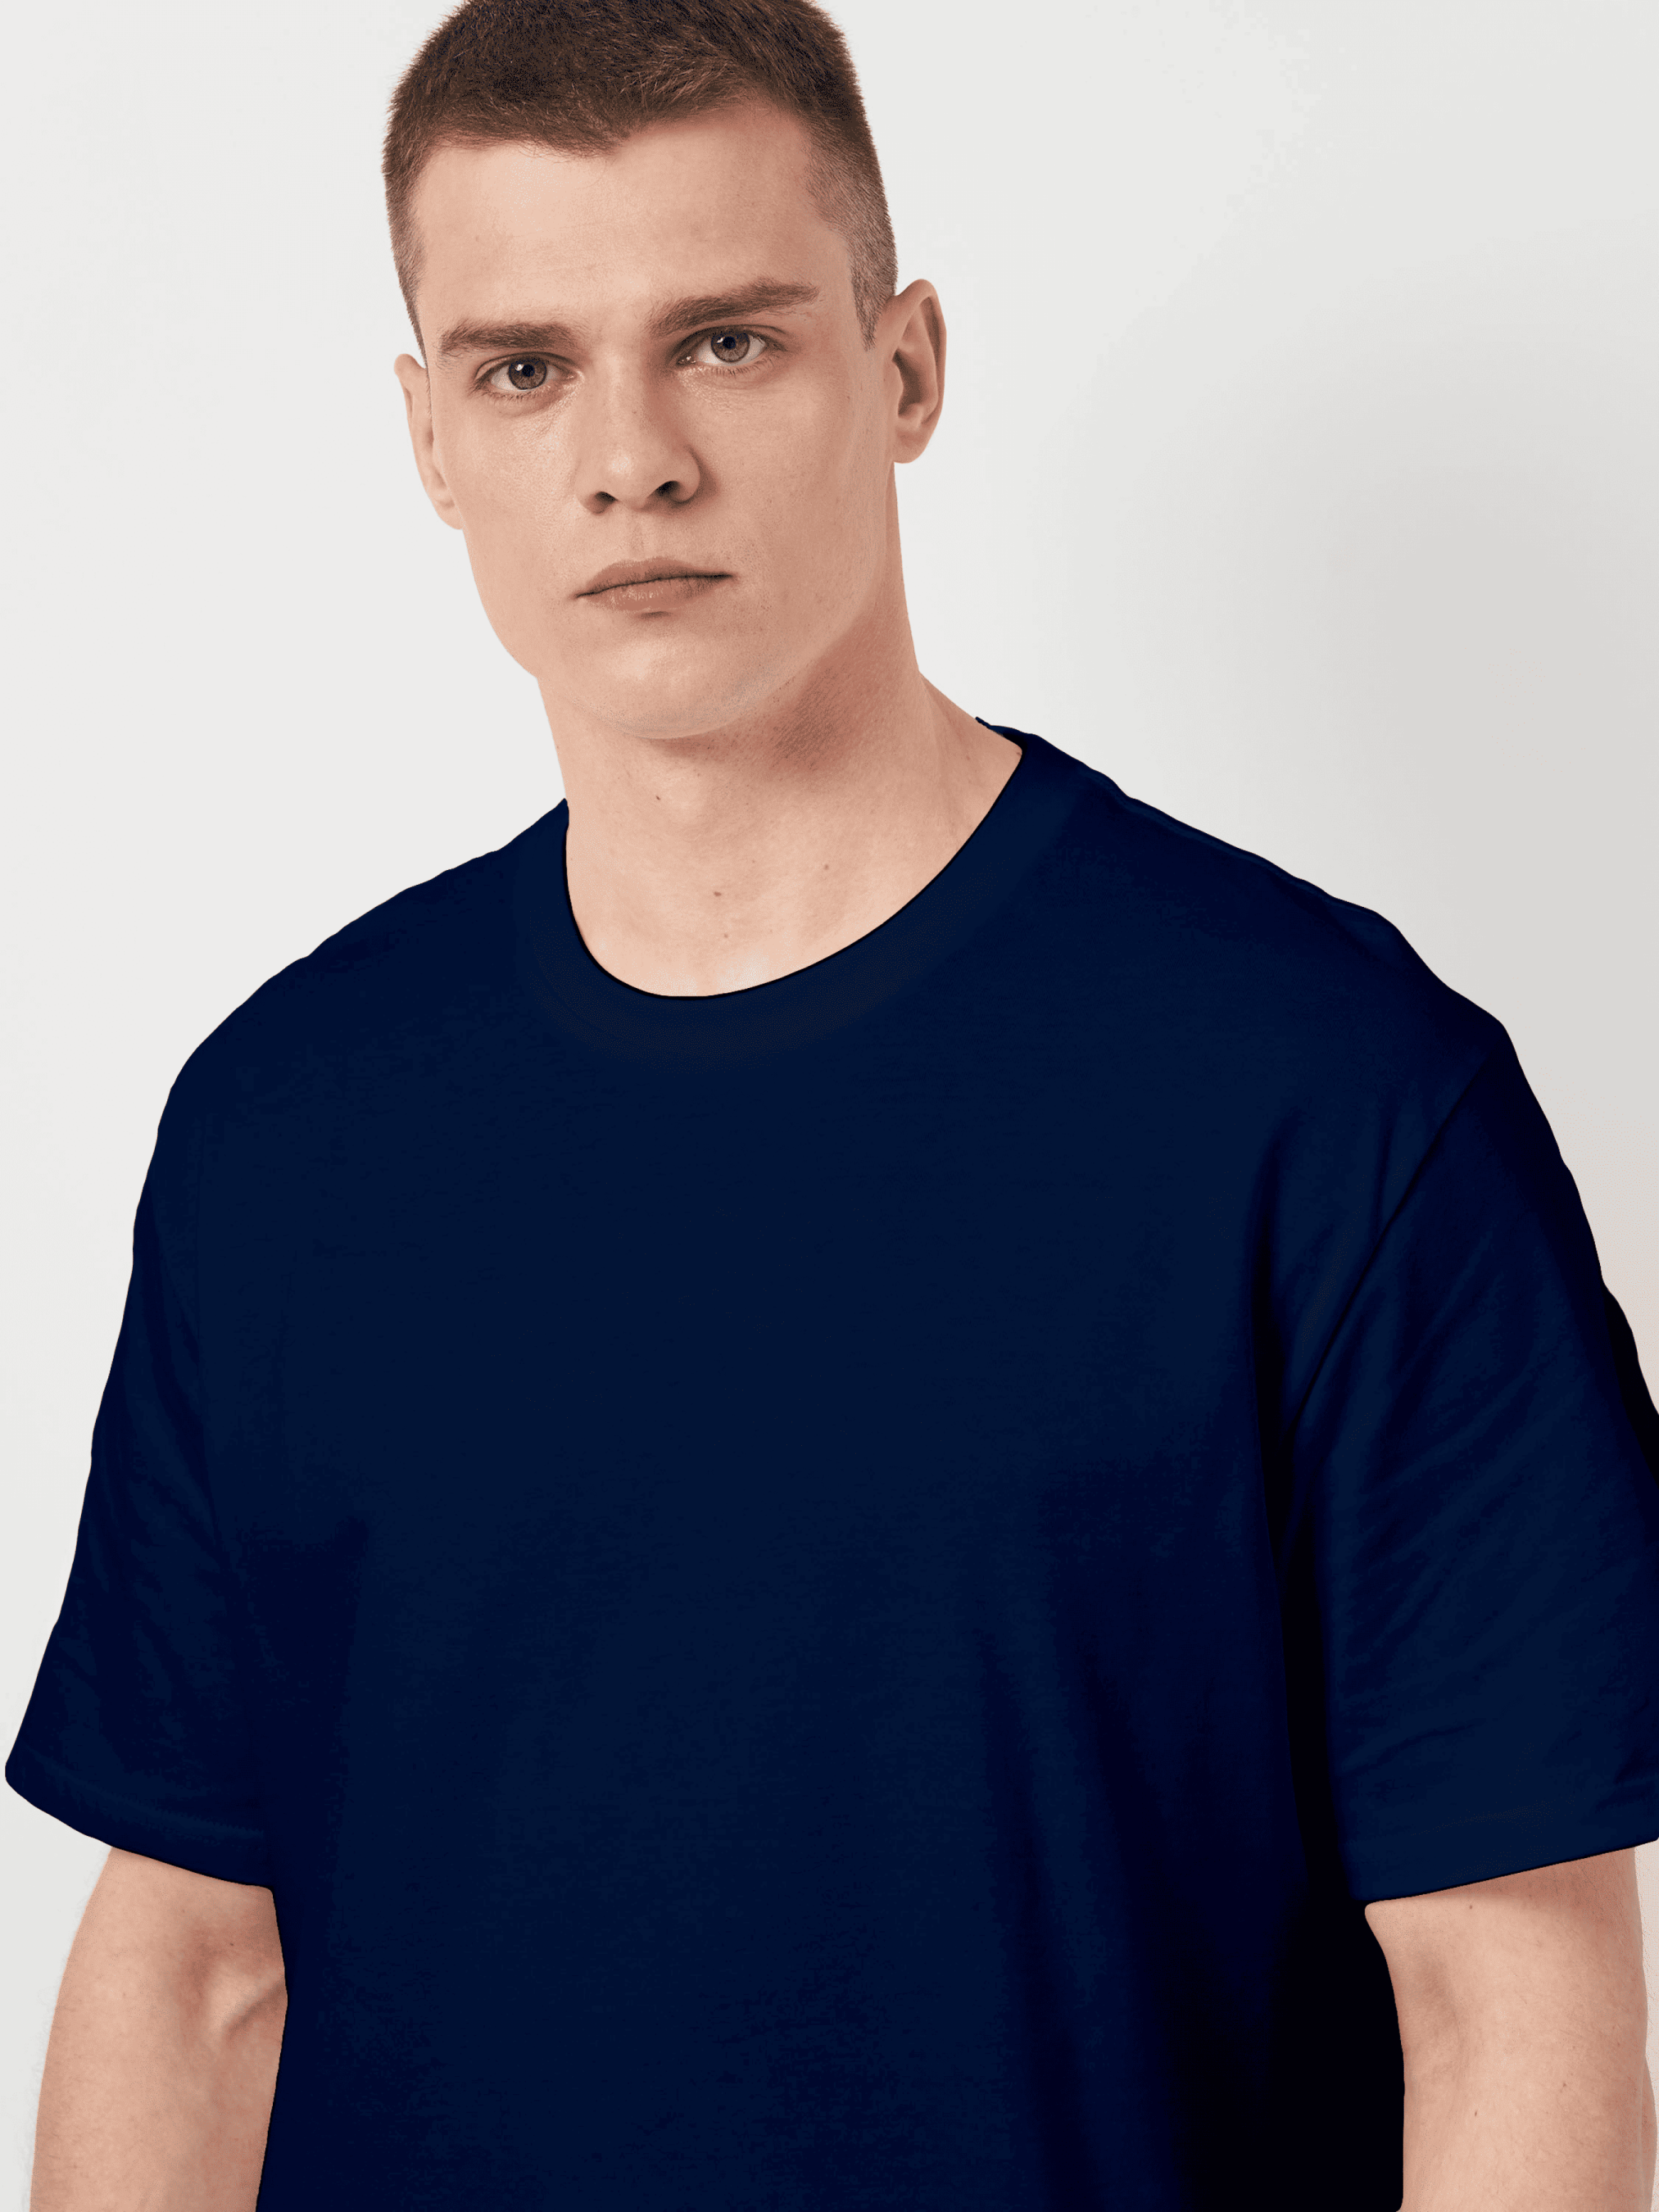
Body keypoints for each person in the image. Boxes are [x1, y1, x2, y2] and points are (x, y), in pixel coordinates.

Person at [11, 0, 1659, 2204]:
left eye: (728, 342)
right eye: (525, 368)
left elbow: (1510, 1995)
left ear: (906, 368)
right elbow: (196, 1964)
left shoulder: (1332, 1097)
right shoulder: (283, 1129)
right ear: (429, 438)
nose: (631, 460)